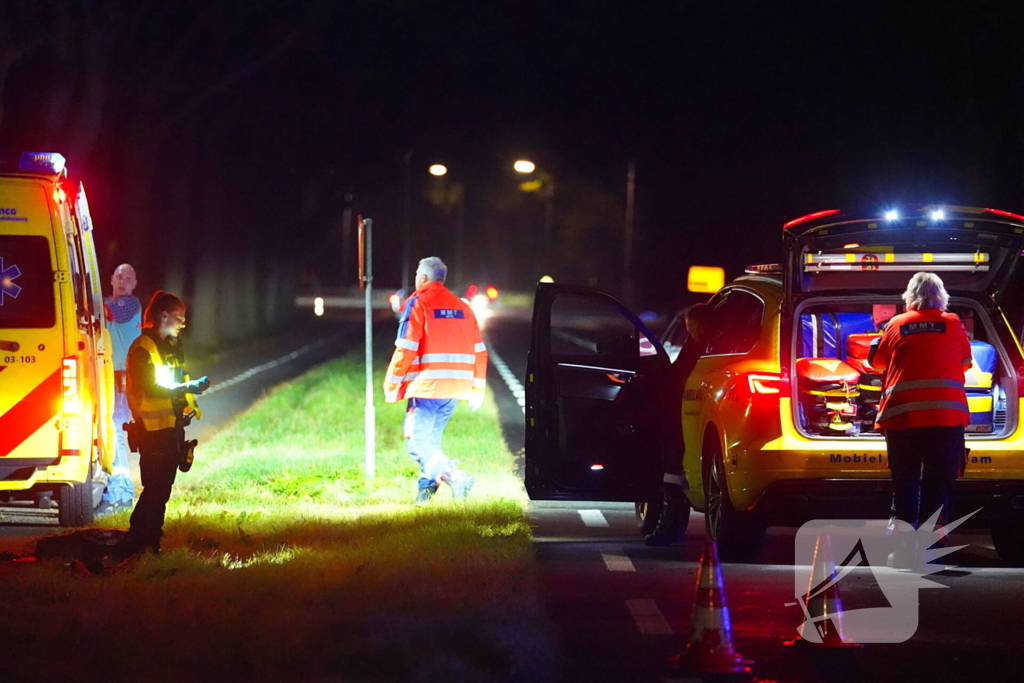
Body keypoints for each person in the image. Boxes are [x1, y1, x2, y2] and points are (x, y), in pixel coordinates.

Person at [870, 272, 972, 565]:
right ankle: (931, 551)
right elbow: (965, 362)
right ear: (942, 295)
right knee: (938, 483)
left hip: (903, 417)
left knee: (906, 482)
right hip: (945, 417)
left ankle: (902, 551)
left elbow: (878, 362)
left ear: (909, 296)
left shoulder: (896, 324)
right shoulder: (954, 324)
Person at [383, 257, 487, 503]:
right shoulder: (463, 307)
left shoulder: (419, 303)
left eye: (418, 275)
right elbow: (479, 351)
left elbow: (406, 348)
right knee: (431, 443)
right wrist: (478, 390)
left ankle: (454, 476)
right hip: (455, 389)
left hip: (427, 387)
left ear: (423, 278)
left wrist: (392, 382)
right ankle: (424, 500)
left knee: (417, 444)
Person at [119, 292, 208, 556]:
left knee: (163, 488)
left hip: (171, 427)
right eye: (179, 318)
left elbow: (177, 383)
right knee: (155, 488)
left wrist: (187, 400)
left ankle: (152, 540)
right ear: (164, 315)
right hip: (151, 429)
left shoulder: (171, 346)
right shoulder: (143, 347)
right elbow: (151, 387)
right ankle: (137, 541)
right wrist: (186, 386)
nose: (182, 324)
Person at [645, 303, 711, 546]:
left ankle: (670, 529)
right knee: (674, 474)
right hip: (688, 420)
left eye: (692, 327)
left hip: (694, 421)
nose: (692, 331)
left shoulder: (707, 347)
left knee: (674, 474)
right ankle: (669, 527)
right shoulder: (698, 345)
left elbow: (677, 375)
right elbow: (676, 375)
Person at [96, 264, 142, 515]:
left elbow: (100, 312)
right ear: (111, 279)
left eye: (128, 278)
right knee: (106, 431)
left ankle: (121, 492)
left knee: (116, 430)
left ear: (135, 284)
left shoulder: (130, 305)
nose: (123, 281)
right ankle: (112, 487)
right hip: (103, 374)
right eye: (119, 277)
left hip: (121, 377)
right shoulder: (105, 303)